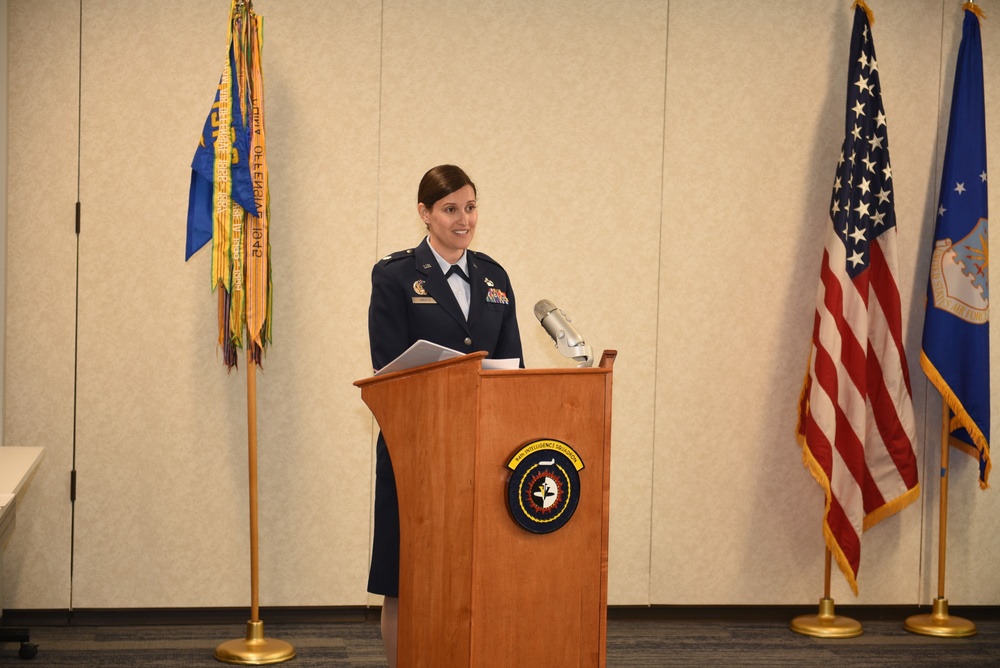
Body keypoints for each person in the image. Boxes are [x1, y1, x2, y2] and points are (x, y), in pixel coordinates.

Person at [366, 164, 524, 666]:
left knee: (473, 569)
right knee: (404, 574)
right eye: (450, 209)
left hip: (482, 448)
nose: (464, 220)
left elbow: (513, 363)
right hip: (417, 446)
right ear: (424, 214)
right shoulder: (394, 275)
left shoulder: (495, 276)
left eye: (470, 207)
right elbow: (387, 365)